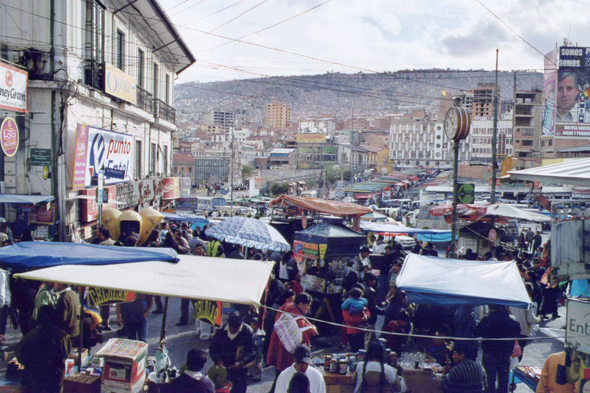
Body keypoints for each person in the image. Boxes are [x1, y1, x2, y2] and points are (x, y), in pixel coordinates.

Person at [17, 306, 72, 393]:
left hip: (34, 378)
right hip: (55, 378)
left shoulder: (30, 335)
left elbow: (20, 356)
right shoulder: (62, 335)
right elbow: (66, 354)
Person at [475, 305, 521, 393]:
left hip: (490, 352)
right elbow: (517, 332)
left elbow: (477, 332)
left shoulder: (486, 319)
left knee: (489, 381)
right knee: (504, 381)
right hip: (505, 354)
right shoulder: (512, 320)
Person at [267, 293, 318, 374]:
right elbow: (304, 335)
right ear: (300, 304)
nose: (308, 308)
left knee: (279, 375)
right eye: (307, 306)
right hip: (287, 354)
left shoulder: (286, 306)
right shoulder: (297, 316)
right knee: (287, 377)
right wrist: (313, 329)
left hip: (279, 344)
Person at [209, 312, 256, 393]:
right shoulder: (221, 330)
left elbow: (251, 351)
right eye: (231, 327)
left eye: (235, 328)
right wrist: (218, 360)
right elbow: (213, 348)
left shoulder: (247, 332)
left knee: (239, 389)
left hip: (239, 369)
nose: (233, 330)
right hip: (222, 369)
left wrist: (240, 362)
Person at [510, 283, 541, 361]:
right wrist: (539, 318)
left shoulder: (513, 299)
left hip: (512, 328)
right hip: (522, 330)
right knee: (519, 352)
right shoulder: (527, 302)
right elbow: (530, 319)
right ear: (530, 291)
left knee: (511, 351)